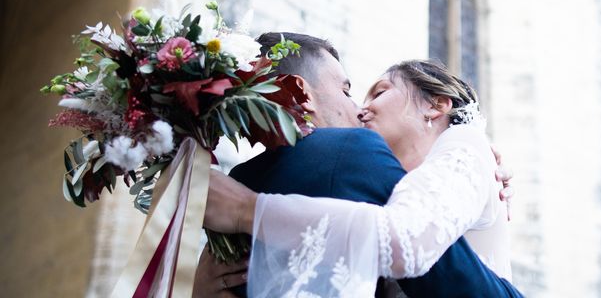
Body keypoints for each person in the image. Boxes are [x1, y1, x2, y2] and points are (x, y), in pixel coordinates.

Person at [197, 33, 521, 297]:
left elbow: (404, 241)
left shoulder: (463, 145)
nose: (361, 110)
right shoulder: (368, 163)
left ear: (436, 106)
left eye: (378, 92)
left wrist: (249, 210)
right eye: (350, 92)